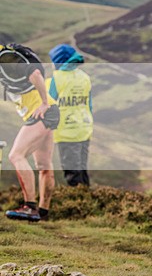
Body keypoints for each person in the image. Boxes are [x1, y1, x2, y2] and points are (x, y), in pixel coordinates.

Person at [0, 43, 60, 222]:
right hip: (48, 111)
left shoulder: (5, 58)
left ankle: (30, 207)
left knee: (16, 155)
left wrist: (43, 103)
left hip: (42, 111)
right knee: (44, 165)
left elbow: (35, 74)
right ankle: (43, 211)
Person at [47, 44, 93, 187]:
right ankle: (88, 200)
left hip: (66, 131)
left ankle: (78, 204)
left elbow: (47, 104)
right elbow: (89, 104)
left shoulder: (55, 79)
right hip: (84, 128)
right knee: (81, 169)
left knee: (72, 172)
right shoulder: (84, 77)